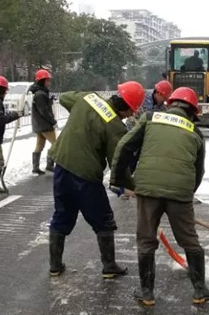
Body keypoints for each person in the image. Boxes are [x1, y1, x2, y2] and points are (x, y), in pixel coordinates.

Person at [109, 87, 209, 306]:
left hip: (148, 190)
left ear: (170, 103)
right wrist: (185, 194)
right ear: (192, 111)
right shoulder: (195, 132)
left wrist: (119, 179)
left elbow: (125, 146)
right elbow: (199, 171)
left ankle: (146, 293)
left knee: (146, 240)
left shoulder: (149, 118)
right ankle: (200, 290)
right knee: (190, 241)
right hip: (180, 193)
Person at [47, 81, 145, 279]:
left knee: (62, 215)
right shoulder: (115, 126)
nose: (128, 116)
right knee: (103, 220)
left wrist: (80, 108)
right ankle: (109, 267)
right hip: (85, 177)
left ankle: (55, 266)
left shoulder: (87, 98)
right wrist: (133, 187)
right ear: (126, 107)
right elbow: (118, 162)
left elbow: (65, 97)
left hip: (62, 167)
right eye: (130, 112)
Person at [29, 69, 57, 175]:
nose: (48, 82)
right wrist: (53, 121)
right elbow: (43, 111)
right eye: (47, 80)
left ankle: (35, 167)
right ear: (42, 81)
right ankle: (50, 165)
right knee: (56, 144)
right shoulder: (40, 94)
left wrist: (49, 101)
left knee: (40, 145)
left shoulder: (39, 93)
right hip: (44, 124)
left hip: (39, 124)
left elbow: (42, 106)